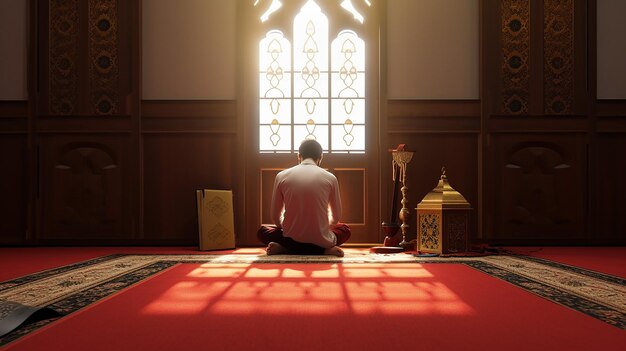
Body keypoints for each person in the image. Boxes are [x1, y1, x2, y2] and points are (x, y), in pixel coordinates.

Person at [257, 139, 351, 257]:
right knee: (344, 229)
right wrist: (321, 226)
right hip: (322, 240)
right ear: (320, 157)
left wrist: (289, 226)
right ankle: (322, 250)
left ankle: (287, 248)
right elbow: (336, 217)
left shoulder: (281, 176)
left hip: (290, 238)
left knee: (263, 231)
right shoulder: (330, 178)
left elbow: (275, 218)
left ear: (299, 156)